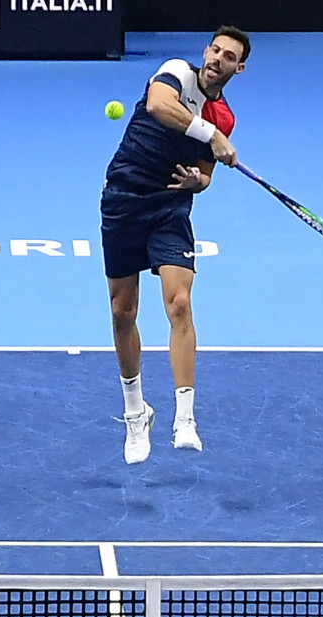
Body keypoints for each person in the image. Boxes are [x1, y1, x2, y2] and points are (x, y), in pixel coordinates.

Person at [101, 25, 250, 464]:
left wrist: (197, 179)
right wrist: (212, 137)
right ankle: (135, 413)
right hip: (124, 196)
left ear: (238, 69)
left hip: (169, 206)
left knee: (180, 304)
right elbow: (158, 106)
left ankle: (185, 418)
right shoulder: (174, 74)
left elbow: (204, 176)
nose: (217, 59)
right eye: (215, 49)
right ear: (205, 52)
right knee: (121, 311)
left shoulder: (224, 117)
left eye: (228, 56)